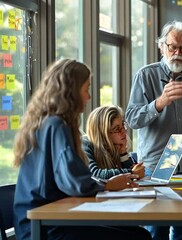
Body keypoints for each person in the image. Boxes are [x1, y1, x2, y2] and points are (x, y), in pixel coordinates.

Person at [13, 59, 151, 240]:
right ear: (71, 92)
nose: (89, 97)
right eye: (86, 89)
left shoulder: (46, 121)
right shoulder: (57, 125)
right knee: (139, 237)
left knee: (137, 233)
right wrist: (108, 185)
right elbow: (74, 181)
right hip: (44, 224)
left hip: (49, 216)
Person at [125, 20, 182, 240]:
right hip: (156, 170)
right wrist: (160, 102)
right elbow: (132, 119)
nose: (178, 53)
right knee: (157, 231)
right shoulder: (145, 76)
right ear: (162, 46)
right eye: (173, 47)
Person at [82, 105, 145, 180]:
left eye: (123, 125)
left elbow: (131, 172)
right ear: (103, 133)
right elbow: (95, 174)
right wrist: (132, 173)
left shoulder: (115, 145)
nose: (124, 131)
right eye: (117, 129)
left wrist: (123, 153)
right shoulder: (85, 144)